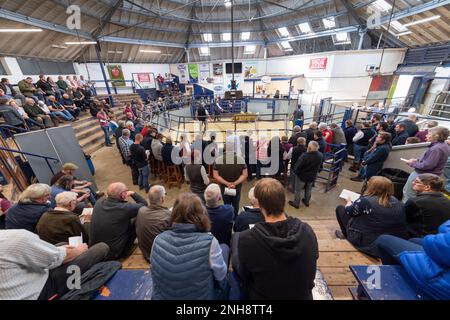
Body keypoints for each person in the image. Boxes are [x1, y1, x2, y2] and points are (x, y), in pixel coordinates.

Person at [231, 178, 318, 300]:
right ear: (283, 200)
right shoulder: (307, 231)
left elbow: (244, 275)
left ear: (259, 204)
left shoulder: (247, 239)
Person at [150, 193, 228, 300]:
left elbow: (155, 273)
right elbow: (221, 275)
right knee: (225, 249)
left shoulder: (158, 239)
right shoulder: (209, 242)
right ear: (201, 214)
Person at [0, 229, 109, 300]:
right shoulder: (15, 238)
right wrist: (79, 250)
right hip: (41, 292)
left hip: (21, 282)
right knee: (101, 248)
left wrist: (62, 250)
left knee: (63, 245)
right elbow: (57, 258)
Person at [375, 220, 450, 300]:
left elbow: (435, 242)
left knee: (383, 240)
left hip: (443, 282)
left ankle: (394, 290)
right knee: (413, 240)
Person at [335, 176, 408, 257]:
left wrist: (349, 202)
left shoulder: (366, 201)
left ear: (372, 187)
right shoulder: (397, 201)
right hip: (387, 242)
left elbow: (349, 211)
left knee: (340, 209)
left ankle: (347, 236)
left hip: (366, 243)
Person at [89, 183, 147, 260]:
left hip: (95, 249)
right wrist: (133, 193)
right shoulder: (123, 208)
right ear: (123, 194)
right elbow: (144, 205)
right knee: (138, 217)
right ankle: (126, 252)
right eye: (127, 191)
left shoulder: (99, 202)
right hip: (113, 254)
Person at [402, 127, 450, 203]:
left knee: (409, 194)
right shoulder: (444, 145)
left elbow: (427, 165)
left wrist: (412, 163)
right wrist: (417, 160)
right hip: (430, 176)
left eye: (429, 133)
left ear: (436, 136)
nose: (426, 135)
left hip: (422, 175)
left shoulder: (436, 148)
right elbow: (431, 161)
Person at [213, 137, 248, 216]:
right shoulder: (240, 159)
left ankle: (228, 218)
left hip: (224, 187)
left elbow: (216, 175)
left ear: (224, 149)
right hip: (237, 187)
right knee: (236, 203)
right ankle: (235, 218)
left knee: (226, 203)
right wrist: (235, 183)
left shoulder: (218, 160)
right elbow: (245, 174)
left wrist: (227, 183)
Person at [136, 185, 171, 261]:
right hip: (160, 257)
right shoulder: (167, 215)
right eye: (164, 194)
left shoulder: (141, 211)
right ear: (162, 198)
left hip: (146, 253)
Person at [289, 141, 323, 209]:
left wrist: (296, 173)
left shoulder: (305, 156)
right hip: (312, 176)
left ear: (309, 148)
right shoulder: (320, 155)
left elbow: (297, 167)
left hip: (302, 177)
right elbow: (320, 165)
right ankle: (307, 202)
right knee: (308, 189)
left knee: (297, 190)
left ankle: (296, 203)